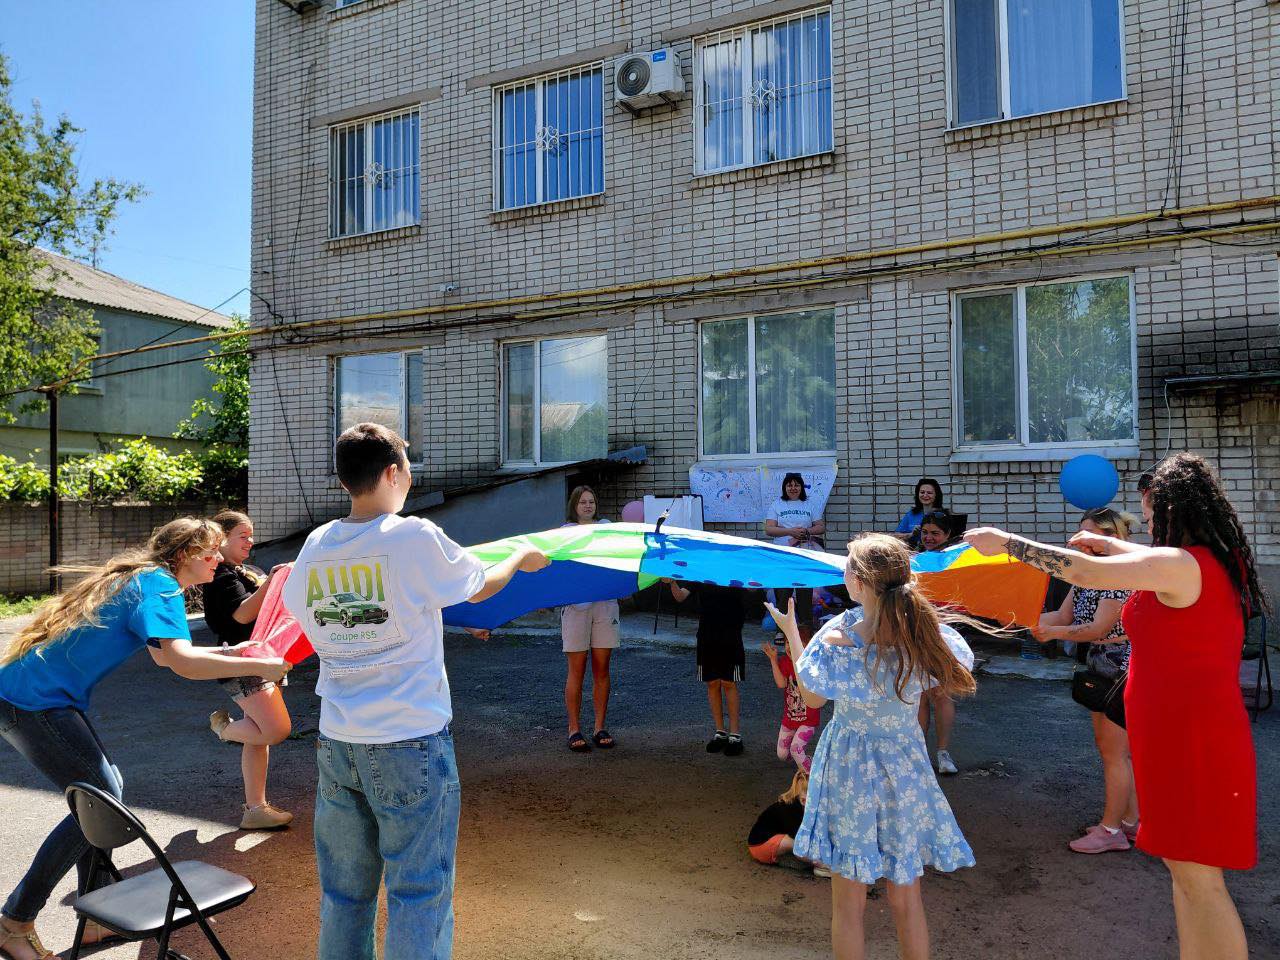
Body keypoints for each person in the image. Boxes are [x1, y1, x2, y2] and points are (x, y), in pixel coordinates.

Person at [966, 453, 1264, 960]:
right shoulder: (1205, 560)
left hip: (1192, 742)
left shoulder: (1179, 565)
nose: (1148, 527)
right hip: (1181, 736)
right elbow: (1134, 558)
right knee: (1185, 876)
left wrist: (1010, 543)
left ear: (1175, 513)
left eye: (1152, 518)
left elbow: (1084, 572)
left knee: (1200, 882)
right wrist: (1109, 544)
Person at [281, 422, 548, 960]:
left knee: (344, 895)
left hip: (338, 741)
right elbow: (478, 587)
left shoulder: (317, 542)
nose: (409, 479)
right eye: (407, 468)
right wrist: (521, 558)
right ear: (392, 473)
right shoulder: (412, 535)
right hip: (409, 741)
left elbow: (301, 610)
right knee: (419, 892)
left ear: (344, 481)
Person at [0, 519, 292, 960]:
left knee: (101, 795)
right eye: (210, 551)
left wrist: (234, 653)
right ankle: (15, 922)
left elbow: (164, 657)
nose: (218, 559)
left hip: (28, 695)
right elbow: (182, 663)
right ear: (184, 555)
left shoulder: (148, 580)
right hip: (33, 701)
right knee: (100, 801)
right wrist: (259, 666)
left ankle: (96, 915)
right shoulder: (161, 586)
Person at [767, 533, 976, 960]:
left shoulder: (839, 631)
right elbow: (953, 666)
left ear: (859, 582)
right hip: (904, 765)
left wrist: (792, 634)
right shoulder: (921, 630)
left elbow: (812, 699)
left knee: (848, 905)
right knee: (907, 900)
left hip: (849, 769)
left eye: (847, 564)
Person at [1033, 507, 1139, 854]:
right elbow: (1063, 615)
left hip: (1120, 665)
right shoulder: (1088, 575)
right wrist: (1021, 618)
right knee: (1115, 752)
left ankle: (1111, 832)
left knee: (1114, 753)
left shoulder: (1118, 574)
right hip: (1101, 663)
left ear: (1112, 538)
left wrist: (1052, 633)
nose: (1079, 542)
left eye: (1088, 536)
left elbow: (1097, 628)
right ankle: (1130, 823)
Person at [200, 509, 295, 830]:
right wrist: (273, 582)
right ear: (221, 539)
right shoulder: (220, 576)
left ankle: (255, 808)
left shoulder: (243, 571)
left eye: (251, 535)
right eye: (243, 535)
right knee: (275, 730)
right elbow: (241, 615)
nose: (250, 541)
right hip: (243, 664)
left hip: (261, 660)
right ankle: (223, 729)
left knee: (258, 736)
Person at [560, 485, 620, 752]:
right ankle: (574, 729)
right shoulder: (564, 532)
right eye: (583, 502)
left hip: (605, 604)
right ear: (574, 505)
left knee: (602, 668)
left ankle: (599, 727)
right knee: (577, 669)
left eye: (591, 501)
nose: (587, 506)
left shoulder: (607, 528)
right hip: (576, 607)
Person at [666, 580, 746, 756]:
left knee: (729, 682)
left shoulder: (735, 570)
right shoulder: (701, 572)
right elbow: (680, 596)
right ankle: (720, 731)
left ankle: (735, 734)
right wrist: (671, 582)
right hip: (707, 636)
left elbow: (753, 588)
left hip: (731, 635)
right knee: (712, 683)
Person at [915, 510, 961, 775]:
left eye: (935, 533)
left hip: (944, 636)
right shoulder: (916, 560)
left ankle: (943, 752)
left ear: (947, 535)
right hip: (917, 636)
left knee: (941, 694)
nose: (929, 537)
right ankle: (919, 754)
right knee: (919, 696)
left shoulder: (954, 561)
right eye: (925, 532)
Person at [764, 472, 825, 627]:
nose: (793, 488)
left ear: (801, 487)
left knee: (805, 590)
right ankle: (782, 630)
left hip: (804, 554)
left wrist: (807, 531)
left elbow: (820, 527)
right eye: (789, 485)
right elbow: (769, 529)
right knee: (783, 591)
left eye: (796, 485)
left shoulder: (809, 504)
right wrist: (790, 532)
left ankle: (805, 628)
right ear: (784, 487)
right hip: (783, 555)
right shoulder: (777, 504)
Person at [747, 769, 830, 878]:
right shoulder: (790, 810)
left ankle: (803, 860)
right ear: (804, 801)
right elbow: (800, 842)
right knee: (793, 843)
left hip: (779, 837)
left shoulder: (802, 807)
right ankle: (821, 865)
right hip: (759, 845)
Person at [761, 628, 821, 772]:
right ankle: (807, 761)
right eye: (788, 642)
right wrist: (773, 660)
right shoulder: (785, 662)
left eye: (796, 642)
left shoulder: (812, 663)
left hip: (809, 719)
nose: (790, 646)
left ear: (808, 645)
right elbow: (781, 684)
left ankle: (811, 776)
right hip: (790, 718)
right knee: (782, 755)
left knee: (795, 749)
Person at [894, 478, 944, 546]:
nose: (925, 495)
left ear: (936, 495)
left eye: (929, 493)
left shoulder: (942, 515)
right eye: (922, 492)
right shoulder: (911, 514)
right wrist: (911, 534)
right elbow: (895, 536)